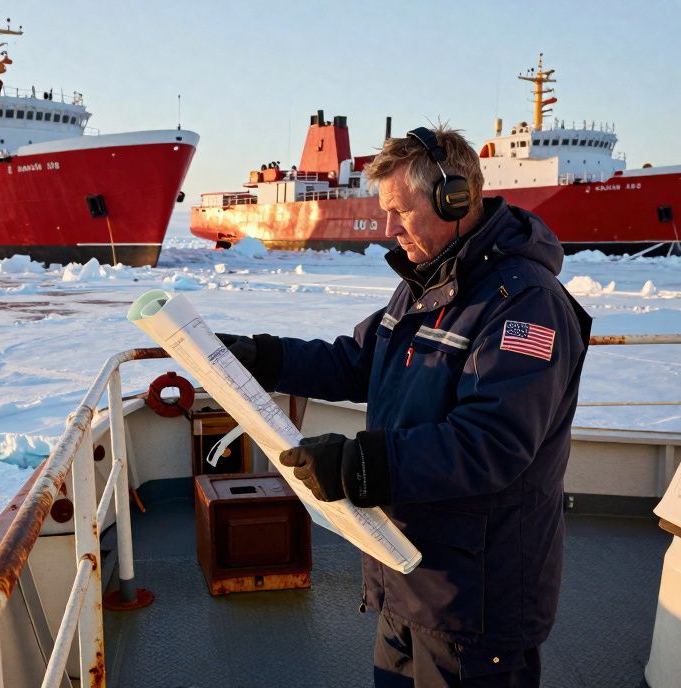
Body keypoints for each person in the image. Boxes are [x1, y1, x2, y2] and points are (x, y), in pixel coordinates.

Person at [220, 124, 591, 687]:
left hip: (474, 598)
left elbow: (492, 444)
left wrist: (359, 464)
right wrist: (263, 357)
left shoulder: (525, 304)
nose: (388, 229)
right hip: (406, 573)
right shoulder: (427, 281)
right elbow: (357, 361)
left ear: (454, 199)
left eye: (400, 211)